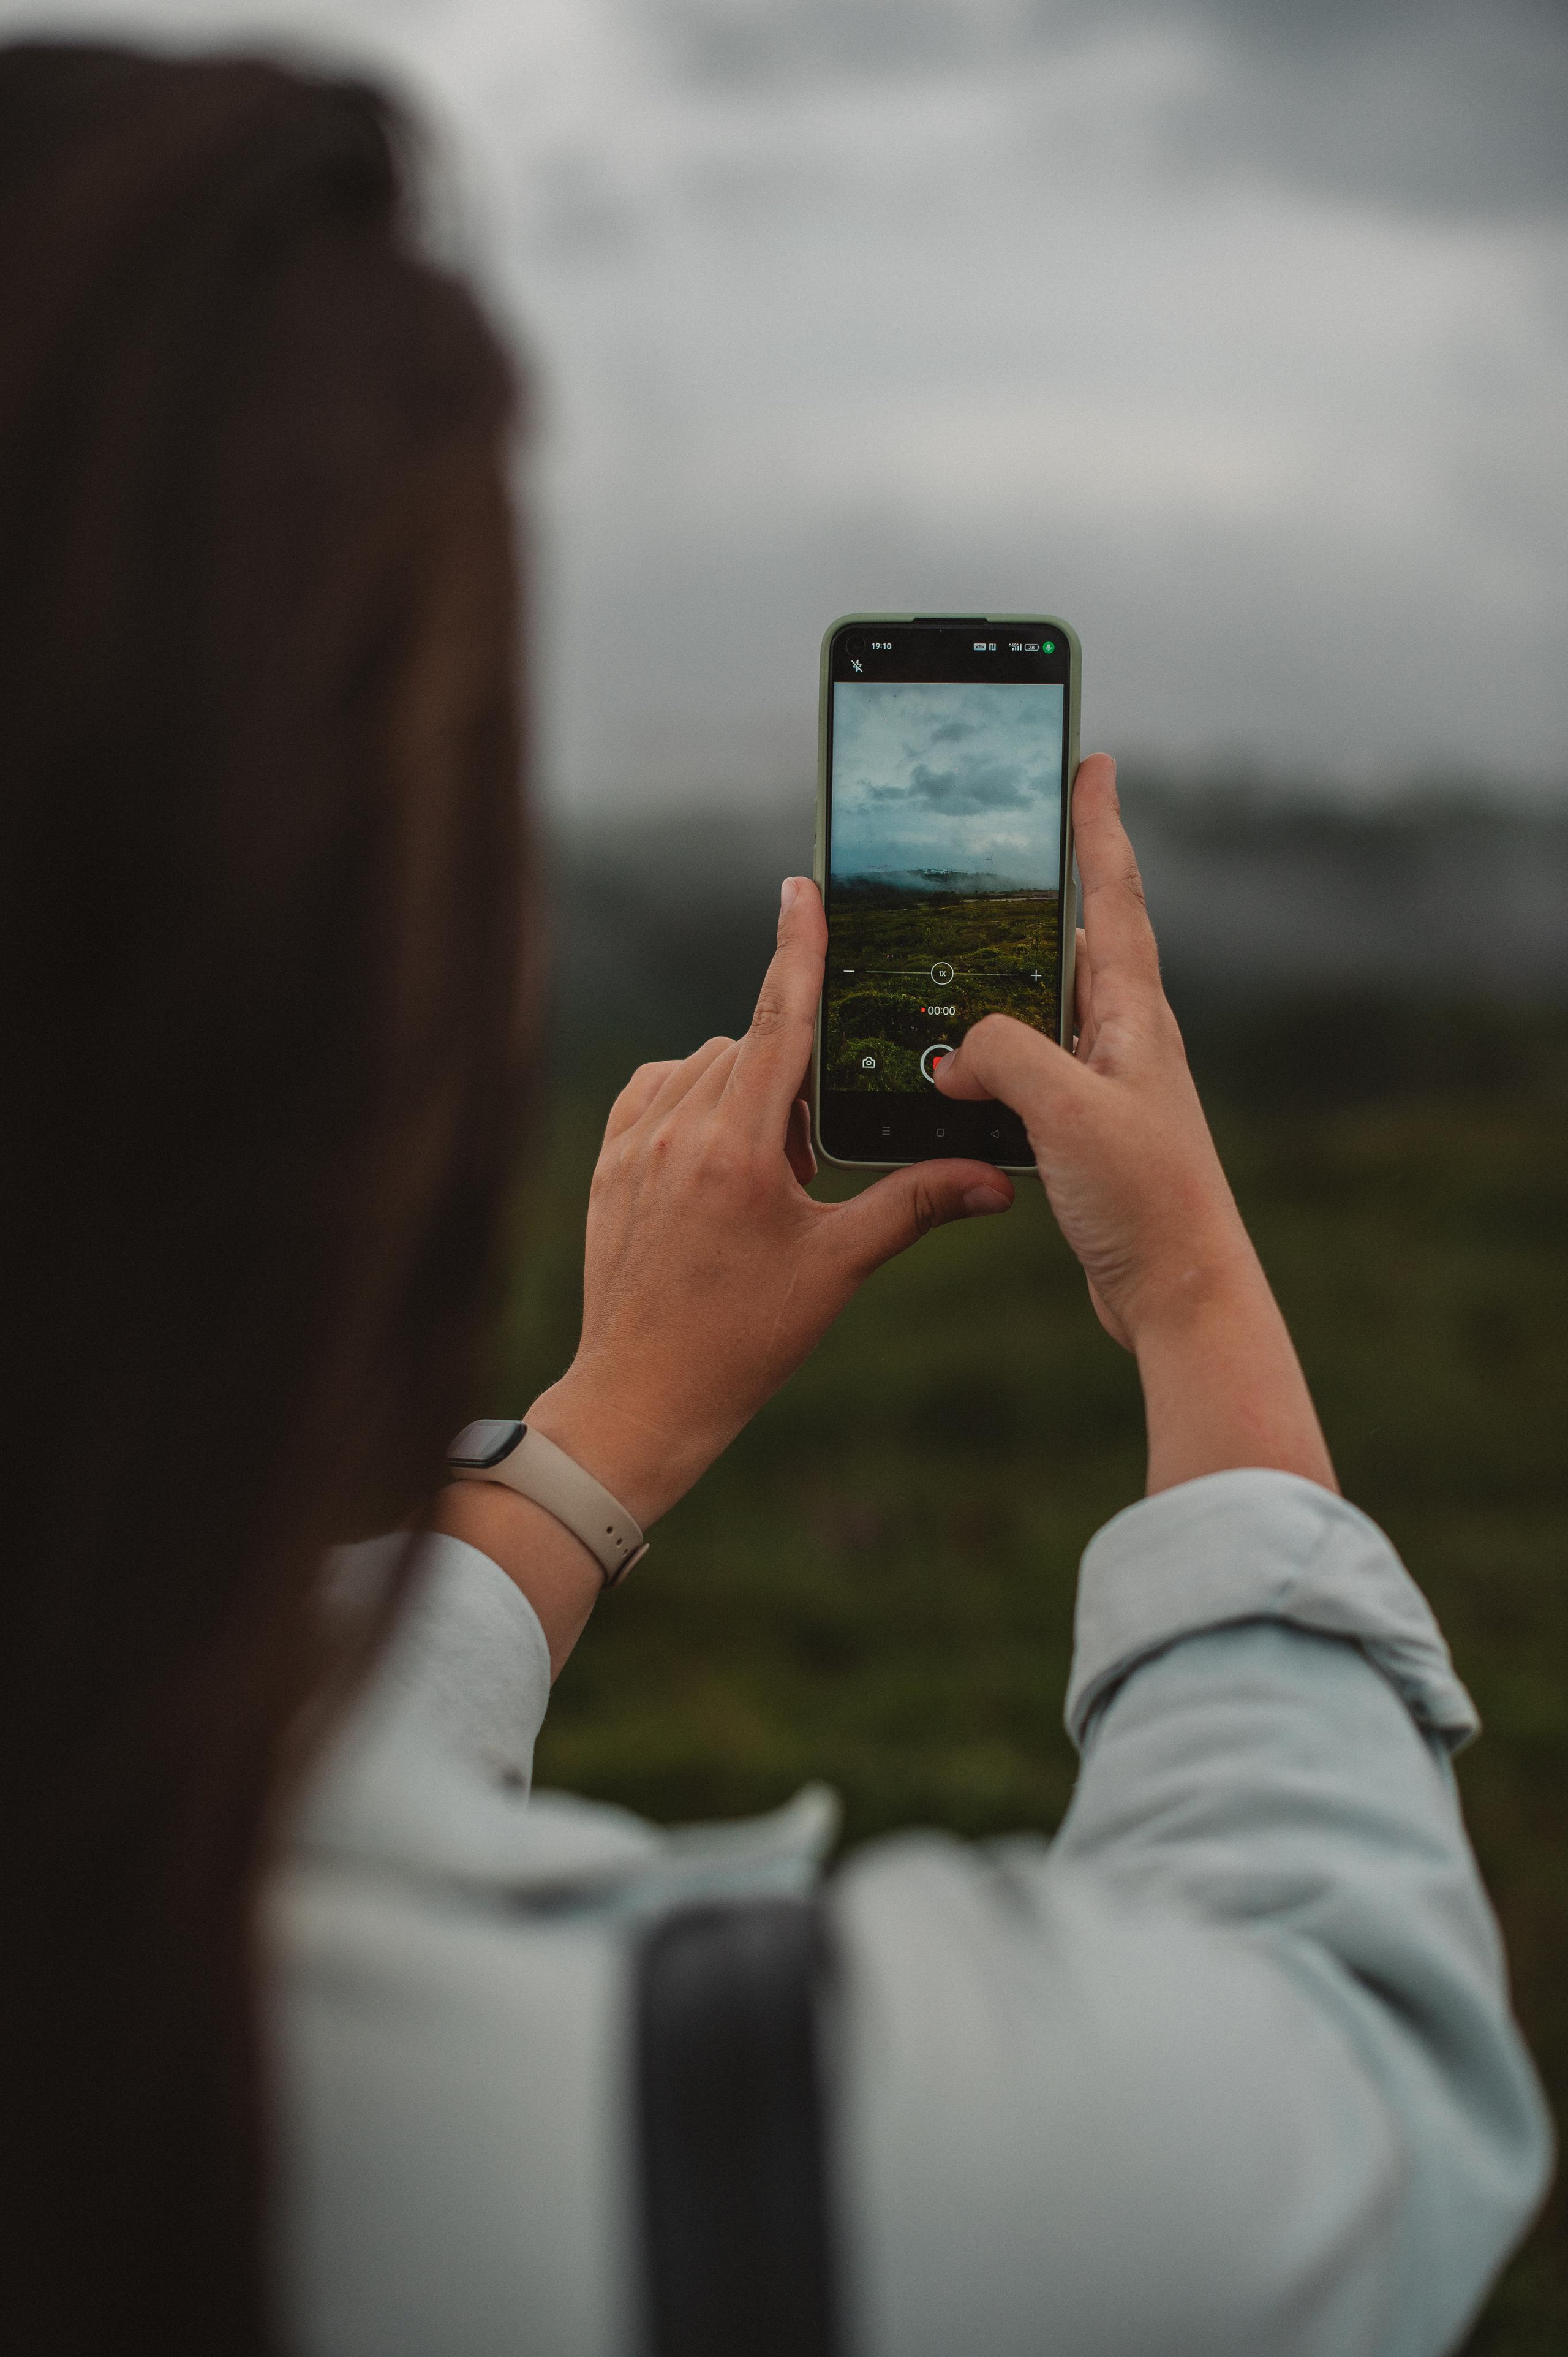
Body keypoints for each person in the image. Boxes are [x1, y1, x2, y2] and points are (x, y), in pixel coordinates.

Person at [0, 40, 1550, 2357]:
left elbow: (207, 1766)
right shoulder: (705, 2152)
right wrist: (1204, 1289)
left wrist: (601, 1439)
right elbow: (1365, 2071)